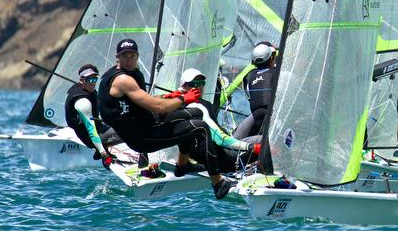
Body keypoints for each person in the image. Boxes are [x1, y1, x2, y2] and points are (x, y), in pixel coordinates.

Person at [98, 39, 234, 199]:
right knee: (201, 127)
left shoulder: (132, 73)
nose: (129, 59)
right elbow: (158, 107)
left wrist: (170, 96)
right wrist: (185, 99)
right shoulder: (123, 80)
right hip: (143, 137)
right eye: (124, 56)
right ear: (117, 58)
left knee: (196, 112)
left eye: (132, 55)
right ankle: (218, 183)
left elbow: (145, 100)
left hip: (147, 123)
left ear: (137, 56)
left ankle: (182, 165)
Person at [165, 67, 260, 157]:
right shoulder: (195, 107)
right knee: (265, 141)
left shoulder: (205, 104)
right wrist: (251, 147)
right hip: (224, 151)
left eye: (202, 83)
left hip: (228, 141)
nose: (199, 87)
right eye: (194, 84)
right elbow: (220, 139)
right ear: (183, 86)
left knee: (260, 113)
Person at [63, 64, 119, 169]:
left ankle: (101, 149)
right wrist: (104, 155)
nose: (93, 83)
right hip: (94, 136)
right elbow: (91, 131)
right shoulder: (83, 102)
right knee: (132, 130)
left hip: (97, 128)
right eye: (90, 80)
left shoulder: (79, 88)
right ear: (82, 80)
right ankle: (143, 160)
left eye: (95, 79)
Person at [232, 41, 277, 140]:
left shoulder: (247, 77)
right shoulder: (277, 72)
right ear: (271, 58)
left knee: (236, 139)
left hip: (256, 115)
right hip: (272, 116)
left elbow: (249, 97)